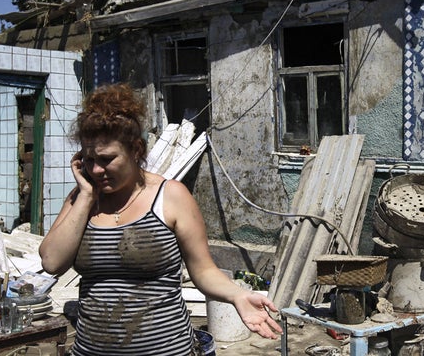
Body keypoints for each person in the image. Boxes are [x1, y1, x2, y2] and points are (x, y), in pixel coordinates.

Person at [39, 83, 282, 355]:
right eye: (88, 159)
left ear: (135, 150)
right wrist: (85, 197)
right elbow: (51, 262)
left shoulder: (171, 197)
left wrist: (237, 294)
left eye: (107, 159)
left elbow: (203, 270)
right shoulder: (80, 199)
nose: (96, 170)